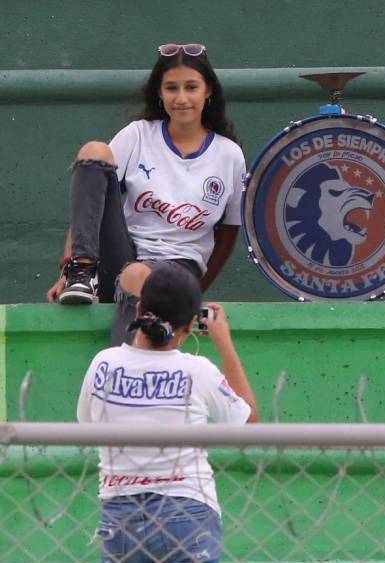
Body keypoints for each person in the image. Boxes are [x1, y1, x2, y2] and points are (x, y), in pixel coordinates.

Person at [47, 43, 245, 347]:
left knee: (138, 274)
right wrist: (66, 267)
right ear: (159, 93)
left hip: (178, 268)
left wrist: (196, 290)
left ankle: (122, 375)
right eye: (171, 88)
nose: (181, 98)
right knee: (94, 151)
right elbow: (91, 209)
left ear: (208, 92)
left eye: (191, 87)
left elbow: (229, 232)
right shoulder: (138, 134)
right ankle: (82, 274)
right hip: (122, 256)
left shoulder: (229, 154)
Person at [77, 263, 260, 563]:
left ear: (138, 309)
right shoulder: (198, 371)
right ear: (190, 326)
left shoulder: (103, 364)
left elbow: (86, 423)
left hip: (121, 518)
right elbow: (249, 422)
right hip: (187, 514)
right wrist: (223, 341)